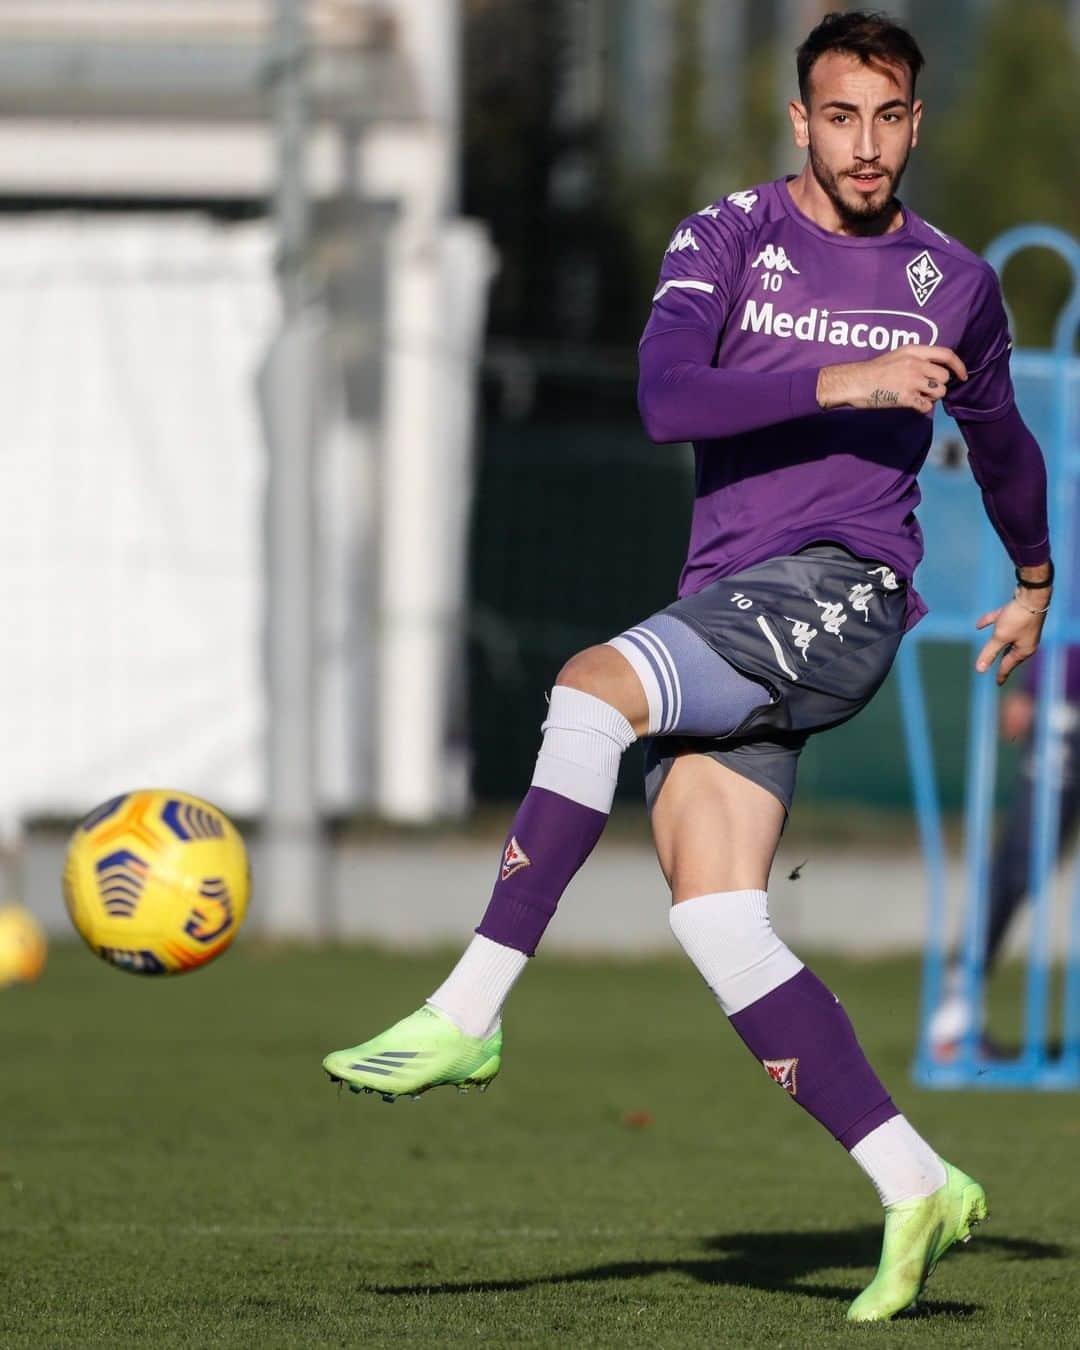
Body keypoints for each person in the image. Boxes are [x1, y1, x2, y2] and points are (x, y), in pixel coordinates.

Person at [324, 10, 1053, 1322]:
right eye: (842, 116)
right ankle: (915, 1177)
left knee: (589, 688)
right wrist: (845, 379)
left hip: (845, 592)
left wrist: (1036, 576)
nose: (867, 144)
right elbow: (668, 396)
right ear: (801, 120)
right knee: (717, 914)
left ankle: (469, 1005)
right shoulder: (728, 236)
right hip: (733, 597)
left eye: (890, 118)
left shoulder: (954, 279)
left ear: (916, 123)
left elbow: (999, 434)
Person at [929, 649, 1080, 1059]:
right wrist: (1033, 690)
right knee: (1024, 859)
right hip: (1066, 709)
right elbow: (1063, 606)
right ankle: (955, 1011)